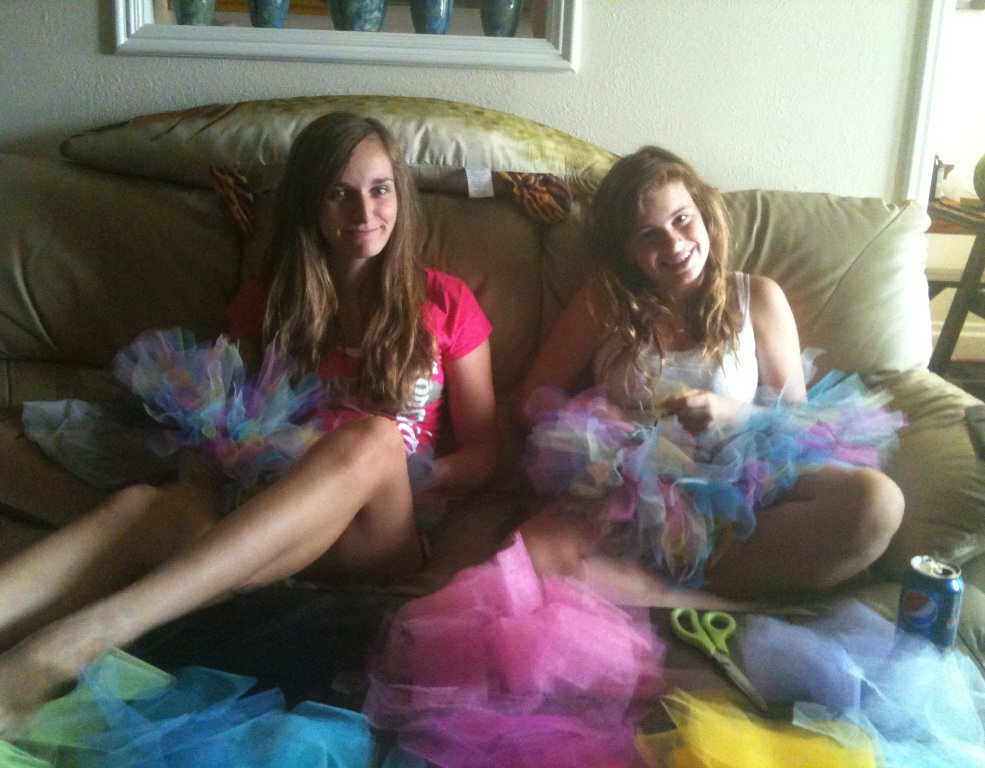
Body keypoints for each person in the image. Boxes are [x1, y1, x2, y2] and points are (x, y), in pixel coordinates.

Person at [0, 112, 499, 734]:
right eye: (339, 193)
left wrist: (415, 475)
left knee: (372, 439)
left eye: (379, 189)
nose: (364, 211)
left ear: (400, 195)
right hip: (271, 515)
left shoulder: (446, 301)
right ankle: (19, 666)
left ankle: (93, 635)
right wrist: (234, 456)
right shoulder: (271, 300)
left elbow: (486, 451)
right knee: (144, 506)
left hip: (379, 532)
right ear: (310, 204)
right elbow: (234, 414)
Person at [517, 145, 905, 604]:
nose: (673, 244)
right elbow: (532, 398)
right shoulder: (604, 303)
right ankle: (682, 590)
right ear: (626, 250)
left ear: (704, 214)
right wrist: (607, 425)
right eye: (648, 234)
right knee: (523, 568)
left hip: (745, 486)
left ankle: (676, 587)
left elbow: (801, 420)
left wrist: (732, 413)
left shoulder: (758, 297)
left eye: (681, 219)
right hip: (632, 493)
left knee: (877, 504)